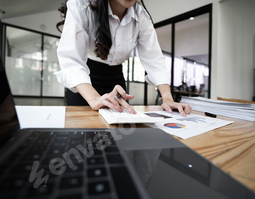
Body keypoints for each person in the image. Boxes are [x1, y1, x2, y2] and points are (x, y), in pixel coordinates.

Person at [55, 0, 192, 116]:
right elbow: (71, 59)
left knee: (116, 135)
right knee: (83, 134)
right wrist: (95, 98)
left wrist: (167, 98)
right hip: (85, 80)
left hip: (116, 80)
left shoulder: (141, 16)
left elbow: (154, 59)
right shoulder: (81, 5)